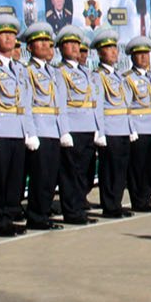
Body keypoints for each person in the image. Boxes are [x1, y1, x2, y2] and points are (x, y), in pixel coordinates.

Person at [0, 15, 34, 237]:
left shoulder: (21, 69)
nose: (10, 39)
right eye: (4, 35)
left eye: (12, 35)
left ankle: (10, 215)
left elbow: (26, 102)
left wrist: (29, 131)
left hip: (18, 129)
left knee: (15, 178)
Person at [22, 22, 65, 230]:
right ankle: (36, 216)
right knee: (39, 177)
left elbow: (60, 104)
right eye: (41, 42)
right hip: (39, 128)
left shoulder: (54, 72)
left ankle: (44, 213)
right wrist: (30, 133)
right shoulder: (26, 71)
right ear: (30, 47)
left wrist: (63, 130)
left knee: (50, 177)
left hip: (54, 129)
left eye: (48, 42)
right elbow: (26, 104)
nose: (47, 46)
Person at [55, 25, 98, 225]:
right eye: (69, 44)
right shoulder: (59, 72)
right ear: (61, 48)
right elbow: (60, 103)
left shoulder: (86, 73)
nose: (74, 47)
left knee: (85, 172)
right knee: (71, 173)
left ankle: (80, 206)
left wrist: (97, 127)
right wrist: (64, 131)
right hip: (72, 127)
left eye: (76, 44)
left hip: (88, 127)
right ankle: (72, 211)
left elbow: (93, 102)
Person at [93, 27, 135, 216]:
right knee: (109, 170)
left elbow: (126, 105)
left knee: (120, 169)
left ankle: (116, 203)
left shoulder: (119, 76)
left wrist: (131, 127)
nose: (114, 52)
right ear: (101, 52)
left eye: (115, 48)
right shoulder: (97, 76)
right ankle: (109, 205)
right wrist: (100, 132)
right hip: (109, 130)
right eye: (109, 49)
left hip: (123, 128)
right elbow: (98, 106)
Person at [124, 36, 151, 211]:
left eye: (146, 54)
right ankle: (138, 200)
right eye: (139, 54)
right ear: (132, 57)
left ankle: (147, 197)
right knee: (137, 167)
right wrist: (131, 129)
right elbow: (126, 106)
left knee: (149, 166)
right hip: (138, 128)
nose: (144, 58)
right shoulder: (127, 78)